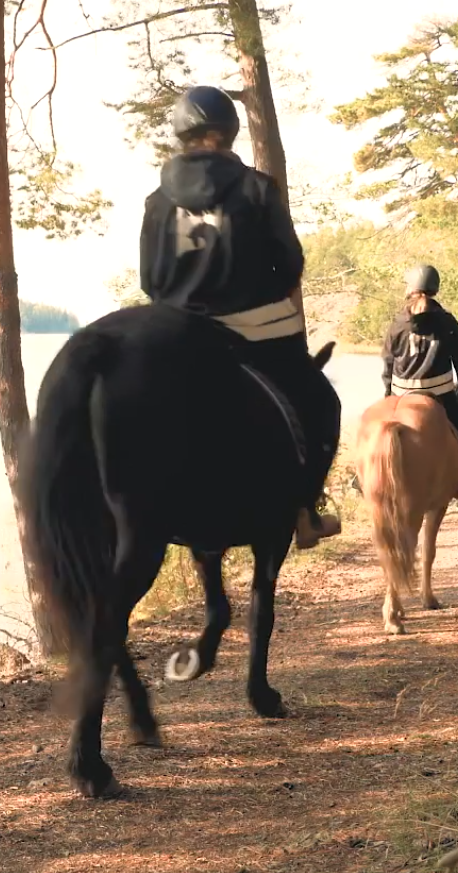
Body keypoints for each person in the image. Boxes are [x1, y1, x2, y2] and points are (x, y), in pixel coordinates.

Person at [138, 84, 342, 549]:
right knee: (320, 402)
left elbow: (150, 279)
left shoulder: (157, 201)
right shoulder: (256, 188)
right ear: (229, 132)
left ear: (181, 135)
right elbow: (290, 265)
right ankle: (305, 511)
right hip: (258, 332)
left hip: (178, 337)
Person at [380, 264, 458, 507]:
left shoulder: (397, 323)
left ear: (411, 289)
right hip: (441, 395)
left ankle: (362, 478)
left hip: (401, 395)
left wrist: (387, 391)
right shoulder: (447, 321)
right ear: (434, 288)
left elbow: (387, 360)